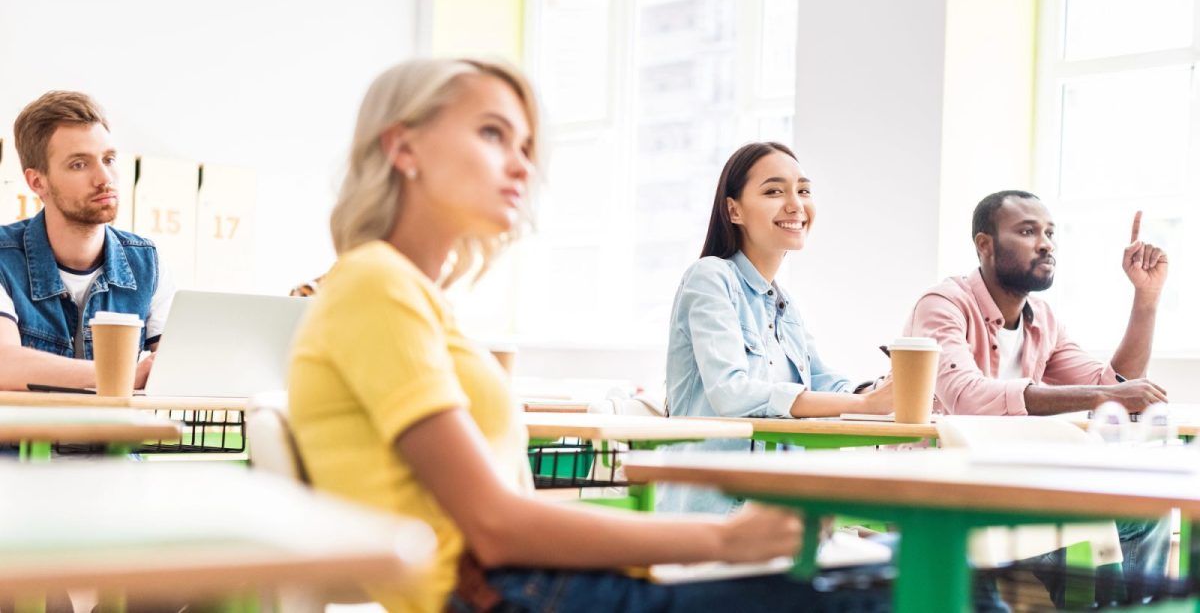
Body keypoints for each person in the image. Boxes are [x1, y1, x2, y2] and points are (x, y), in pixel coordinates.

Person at [287, 59, 890, 613]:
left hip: (531, 583)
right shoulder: (375, 284)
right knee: (885, 593)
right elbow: (495, 527)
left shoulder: (414, 296)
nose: (523, 164)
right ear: (403, 146)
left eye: (525, 145)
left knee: (883, 580)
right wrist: (726, 539)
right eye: (494, 134)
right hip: (503, 594)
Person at [902, 189, 1171, 605]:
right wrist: (1106, 393)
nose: (1045, 243)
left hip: (1018, 485)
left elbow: (1113, 383)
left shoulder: (1042, 320)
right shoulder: (943, 304)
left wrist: (1146, 298)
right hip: (951, 491)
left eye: (1049, 232)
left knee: (1143, 514)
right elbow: (966, 398)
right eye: (1028, 231)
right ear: (984, 245)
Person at [659, 141, 893, 515]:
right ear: (733, 210)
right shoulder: (710, 278)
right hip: (706, 515)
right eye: (774, 191)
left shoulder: (784, 305)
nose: (796, 205)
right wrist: (864, 404)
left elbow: (824, 382)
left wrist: (880, 391)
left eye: (803, 190)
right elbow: (731, 394)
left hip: (772, 513)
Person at [0, 91, 167, 392]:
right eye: (79, 164)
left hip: (116, 440)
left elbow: (175, 366)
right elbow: (4, 363)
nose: (105, 178)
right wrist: (121, 375)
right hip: (25, 440)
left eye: (109, 159)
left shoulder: (148, 263)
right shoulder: (3, 257)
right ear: (37, 182)